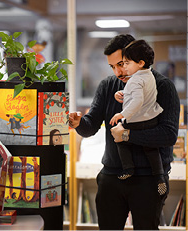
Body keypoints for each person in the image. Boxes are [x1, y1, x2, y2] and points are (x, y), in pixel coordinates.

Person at [69, 34, 180, 230]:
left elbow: (168, 134)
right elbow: (90, 127)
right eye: (112, 67)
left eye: (122, 64)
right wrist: (78, 123)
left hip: (149, 178)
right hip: (111, 176)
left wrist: (127, 135)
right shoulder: (108, 86)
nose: (118, 72)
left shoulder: (163, 86)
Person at [109, 39, 166, 196]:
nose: (124, 67)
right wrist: (122, 95)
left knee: (120, 140)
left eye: (127, 63)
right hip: (151, 118)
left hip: (136, 121)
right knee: (151, 150)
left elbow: (137, 100)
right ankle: (160, 176)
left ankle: (128, 168)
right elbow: (142, 95)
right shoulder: (149, 76)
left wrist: (122, 114)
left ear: (140, 62)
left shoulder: (134, 79)